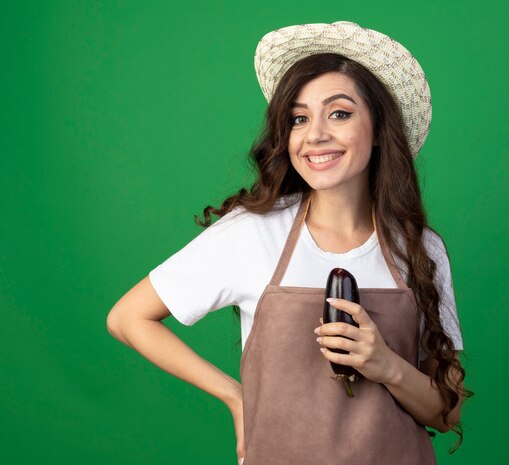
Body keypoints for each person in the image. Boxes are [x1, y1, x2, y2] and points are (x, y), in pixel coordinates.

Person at [107, 21, 472, 465]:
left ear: (378, 129)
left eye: (339, 113)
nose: (315, 134)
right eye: (299, 119)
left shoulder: (419, 247)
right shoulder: (252, 233)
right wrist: (236, 398)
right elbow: (128, 318)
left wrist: (386, 365)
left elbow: (445, 412)